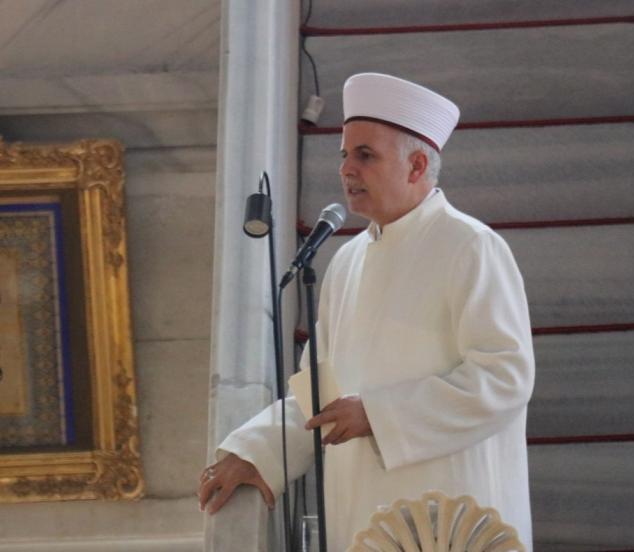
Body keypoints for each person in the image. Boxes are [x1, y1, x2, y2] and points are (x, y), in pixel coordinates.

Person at [198, 73, 535, 550]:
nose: (346, 170)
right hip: (360, 516)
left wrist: (378, 414)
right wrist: (259, 452)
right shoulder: (346, 261)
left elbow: (504, 377)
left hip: (453, 518)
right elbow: (319, 393)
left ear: (417, 165)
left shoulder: (471, 246)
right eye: (344, 155)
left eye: (365, 155)